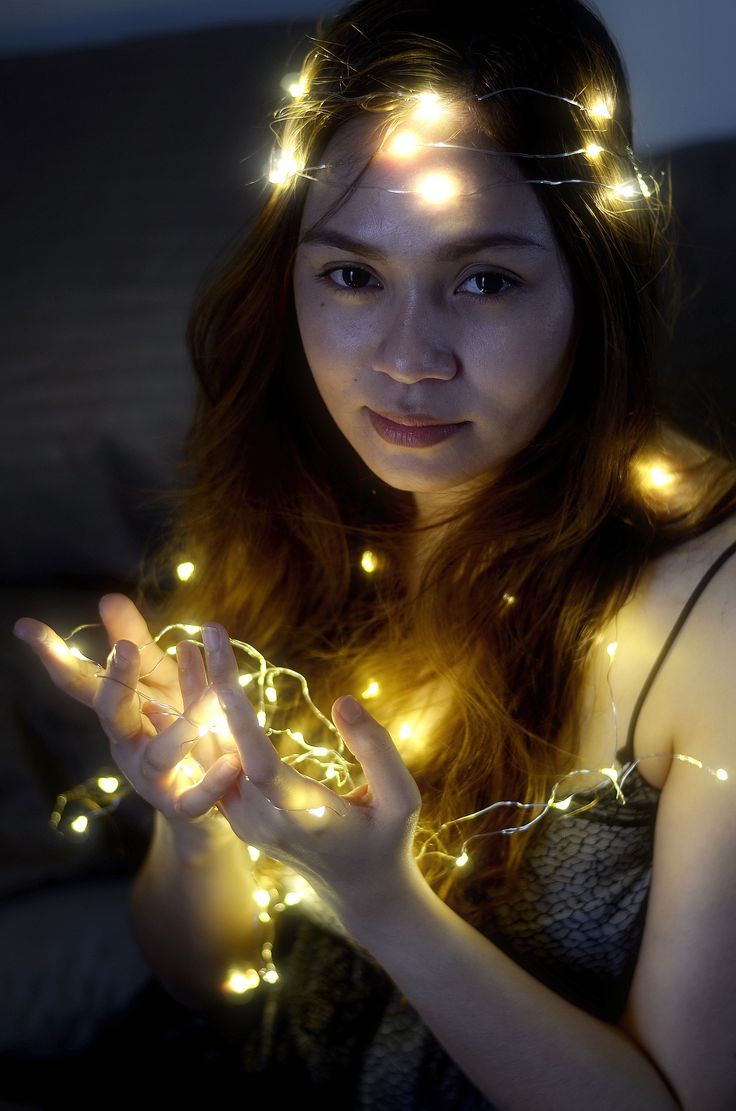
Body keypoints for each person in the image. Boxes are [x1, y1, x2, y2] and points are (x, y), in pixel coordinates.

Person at [13, 0, 736, 1105]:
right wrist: (191, 821)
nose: (405, 361)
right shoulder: (286, 499)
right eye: (352, 275)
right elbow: (204, 981)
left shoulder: (712, 609)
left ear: (594, 277)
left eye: (484, 279)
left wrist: (385, 904)